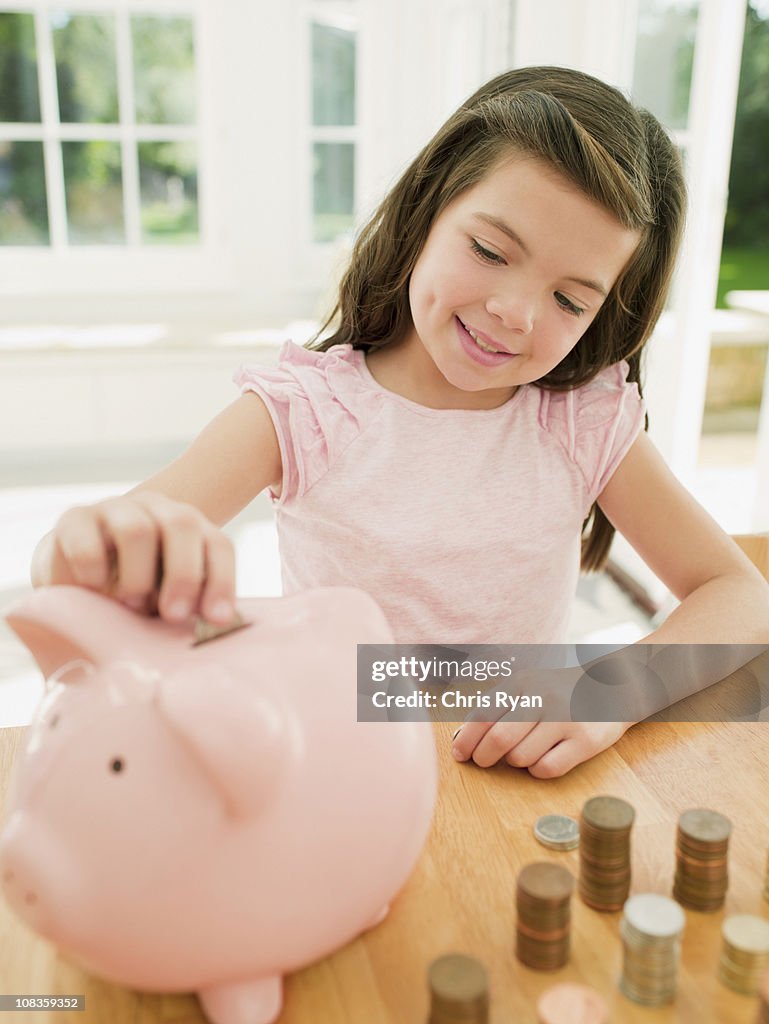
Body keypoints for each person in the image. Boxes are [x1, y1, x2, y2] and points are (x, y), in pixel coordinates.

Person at [31, 67, 769, 777]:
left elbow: (740, 595)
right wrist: (88, 546)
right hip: (326, 766)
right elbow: (69, 579)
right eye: (488, 251)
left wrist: (610, 691)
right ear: (424, 213)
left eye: (571, 301)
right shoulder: (304, 410)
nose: (514, 312)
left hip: (508, 779)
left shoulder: (581, 423)